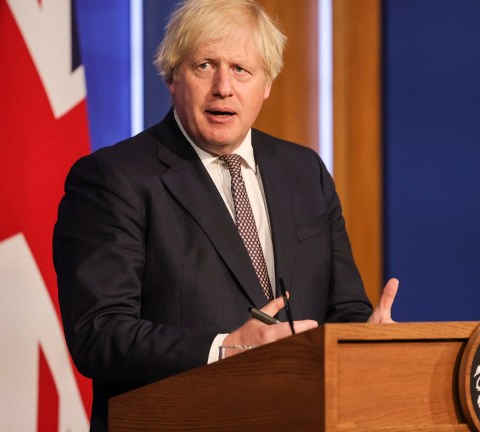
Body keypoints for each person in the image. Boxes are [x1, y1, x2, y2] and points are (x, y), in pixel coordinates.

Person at [53, 0, 398, 429]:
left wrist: (370, 340)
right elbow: (99, 333)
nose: (223, 87)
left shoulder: (305, 171)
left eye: (241, 69)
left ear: (267, 84)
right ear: (171, 76)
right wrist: (224, 349)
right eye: (204, 65)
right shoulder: (114, 179)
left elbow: (343, 310)